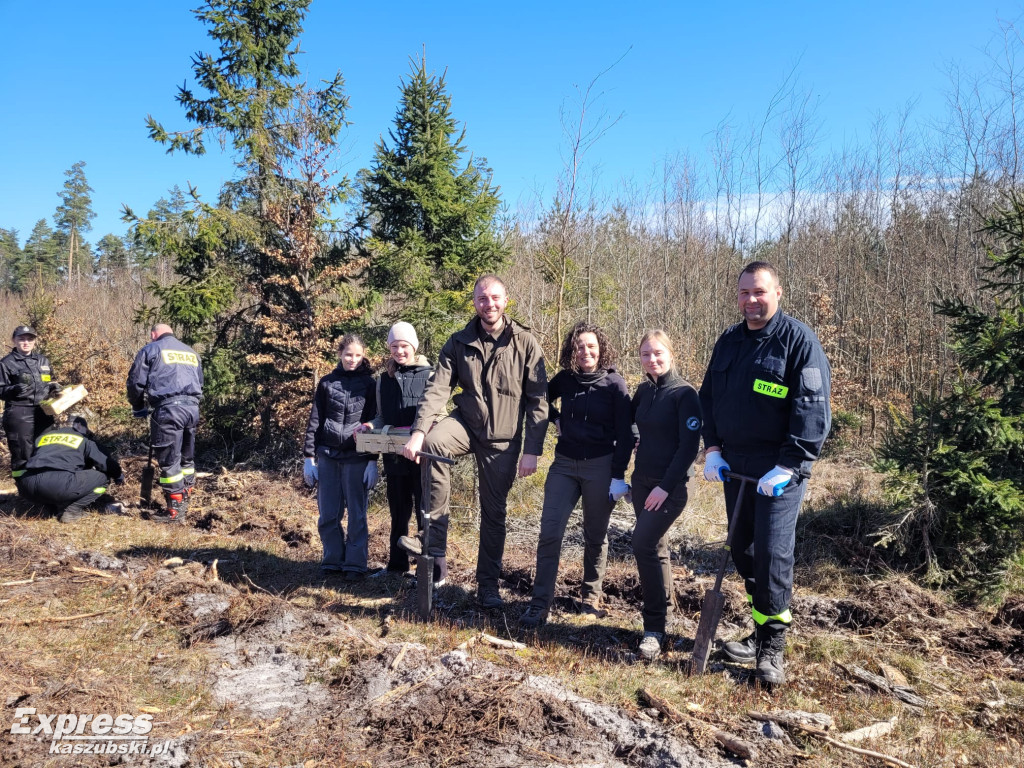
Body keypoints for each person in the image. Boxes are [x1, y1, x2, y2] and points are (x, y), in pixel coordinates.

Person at [699, 261, 831, 688]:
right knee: (744, 551)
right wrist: (713, 449)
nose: (751, 300)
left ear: (777, 293)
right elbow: (709, 398)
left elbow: (812, 410)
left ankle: (772, 645)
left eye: (759, 292)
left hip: (779, 468)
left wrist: (792, 464)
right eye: (744, 293)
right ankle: (759, 630)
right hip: (735, 466)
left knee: (773, 554)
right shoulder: (728, 342)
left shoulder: (798, 342)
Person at [399, 275, 548, 607]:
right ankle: (434, 549)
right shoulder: (459, 342)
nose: (489, 304)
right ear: (474, 302)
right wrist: (419, 430)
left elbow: (539, 400)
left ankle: (488, 586)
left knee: (493, 513)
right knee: (434, 444)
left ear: (505, 300)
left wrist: (533, 450)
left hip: (503, 440)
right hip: (466, 424)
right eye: (482, 298)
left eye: (495, 297)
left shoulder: (524, 342)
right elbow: (437, 388)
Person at [519, 322, 633, 628]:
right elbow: (539, 400)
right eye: (580, 346)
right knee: (550, 532)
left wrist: (618, 475)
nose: (585, 351)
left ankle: (590, 596)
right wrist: (555, 419)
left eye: (591, 346)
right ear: (572, 350)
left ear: (601, 348)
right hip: (564, 466)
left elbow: (625, 435)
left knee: (595, 535)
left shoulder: (615, 384)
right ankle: (540, 603)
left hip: (601, 466)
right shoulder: (565, 380)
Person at [629, 330, 703, 662]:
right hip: (641, 483)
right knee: (655, 548)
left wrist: (664, 487)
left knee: (642, 544)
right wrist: (634, 437)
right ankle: (666, 612)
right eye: (646, 354)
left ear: (671, 354)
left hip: (668, 489)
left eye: (658, 353)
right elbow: (629, 422)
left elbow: (689, 448)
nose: (652, 359)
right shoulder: (644, 390)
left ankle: (654, 629)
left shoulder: (684, 394)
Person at [303, 333, 379, 581]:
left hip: (357, 457)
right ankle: (332, 559)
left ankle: (355, 565)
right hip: (328, 456)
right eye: (348, 354)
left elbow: (373, 424)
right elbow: (315, 420)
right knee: (328, 513)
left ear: (363, 356)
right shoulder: (326, 382)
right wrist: (308, 458)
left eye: (358, 355)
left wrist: (371, 461)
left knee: (357, 514)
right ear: (339, 354)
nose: (353, 359)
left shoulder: (370, 384)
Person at [370, 322, 434, 575]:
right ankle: (396, 566)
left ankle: (427, 571)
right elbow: (380, 416)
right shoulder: (382, 380)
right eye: (394, 346)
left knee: (424, 513)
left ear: (413, 346)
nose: (399, 351)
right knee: (398, 511)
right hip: (394, 456)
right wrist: (369, 425)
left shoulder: (431, 375)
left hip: (422, 456)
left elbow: (437, 415)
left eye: (404, 345)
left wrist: (420, 434)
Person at [126, 323, 203, 524]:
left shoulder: (150, 350)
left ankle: (175, 511)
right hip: (192, 409)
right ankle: (185, 497)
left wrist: (138, 406)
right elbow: (200, 382)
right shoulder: (191, 352)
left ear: (153, 334)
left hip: (169, 409)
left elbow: (135, 382)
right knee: (187, 458)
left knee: (170, 459)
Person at [16, 414, 124, 523]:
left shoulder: (43, 437)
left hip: (26, 485)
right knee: (103, 478)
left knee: (50, 478)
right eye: (87, 431)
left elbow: (24, 458)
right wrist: (119, 476)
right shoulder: (83, 439)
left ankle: (49, 509)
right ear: (79, 425)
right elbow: (107, 464)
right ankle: (73, 511)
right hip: (57, 485)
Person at [1, 325, 59, 478]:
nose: (26, 342)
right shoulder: (6, 363)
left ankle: (45, 483)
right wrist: (13, 390)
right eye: (21, 339)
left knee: (47, 447)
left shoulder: (42, 361)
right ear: (14, 340)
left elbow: (50, 381)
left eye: (30, 339)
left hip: (43, 411)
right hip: (19, 411)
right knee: (22, 452)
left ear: (35, 341)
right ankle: (24, 490)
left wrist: (55, 387)